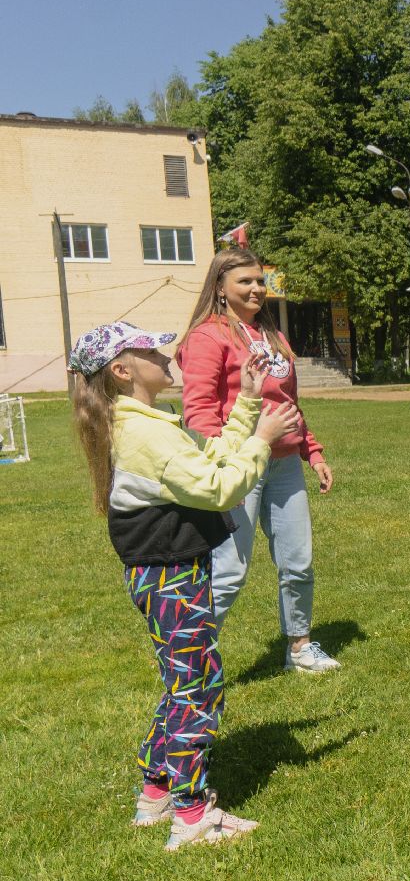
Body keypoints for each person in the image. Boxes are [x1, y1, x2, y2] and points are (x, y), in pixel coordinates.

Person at [68, 321, 298, 850]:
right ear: (123, 371)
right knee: (197, 689)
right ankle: (191, 816)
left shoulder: (142, 422)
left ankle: (156, 793)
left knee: (187, 681)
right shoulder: (144, 432)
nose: (164, 351)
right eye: (150, 348)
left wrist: (244, 403)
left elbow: (208, 462)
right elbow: (218, 488)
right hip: (169, 577)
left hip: (169, 572)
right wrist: (262, 440)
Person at [176, 248, 340, 673]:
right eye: (244, 281)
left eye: (260, 280)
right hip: (239, 466)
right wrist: (222, 463)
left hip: (284, 465)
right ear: (220, 287)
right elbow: (199, 411)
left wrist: (312, 450)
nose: (256, 288)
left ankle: (300, 649)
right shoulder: (207, 337)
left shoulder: (273, 336)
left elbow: (290, 402)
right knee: (229, 569)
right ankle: (190, 663)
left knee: (298, 561)